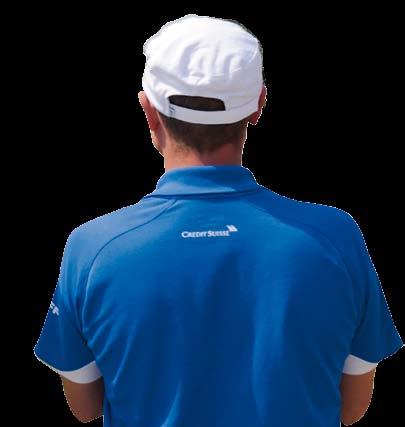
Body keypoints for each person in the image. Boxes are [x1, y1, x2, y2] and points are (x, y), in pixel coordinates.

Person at [34, 14, 403, 426]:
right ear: (259, 105)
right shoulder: (335, 237)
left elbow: (86, 407)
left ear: (149, 111)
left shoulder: (92, 248)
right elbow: (351, 408)